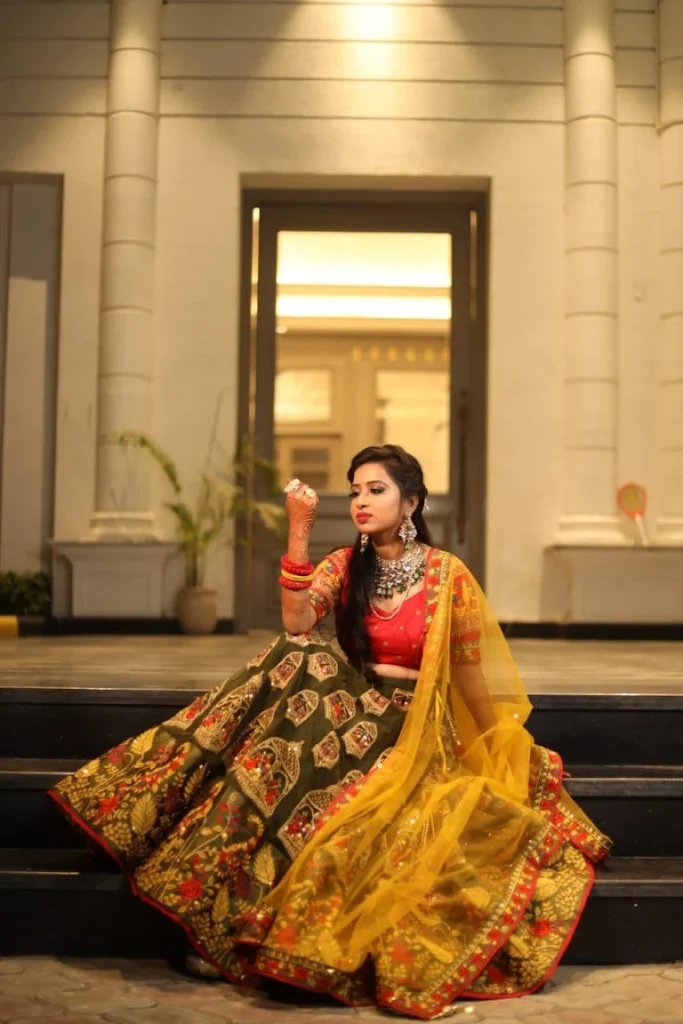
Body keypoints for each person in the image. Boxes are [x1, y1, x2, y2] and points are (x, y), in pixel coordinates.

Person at [49, 444, 610, 1019]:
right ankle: (204, 878)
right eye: (355, 491)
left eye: (376, 490)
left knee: (305, 692)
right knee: (298, 658)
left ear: (411, 502)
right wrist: (299, 532)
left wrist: (497, 745)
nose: (361, 501)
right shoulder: (345, 565)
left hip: (412, 728)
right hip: (346, 712)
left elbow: (468, 678)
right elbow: (296, 621)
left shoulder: (448, 576)